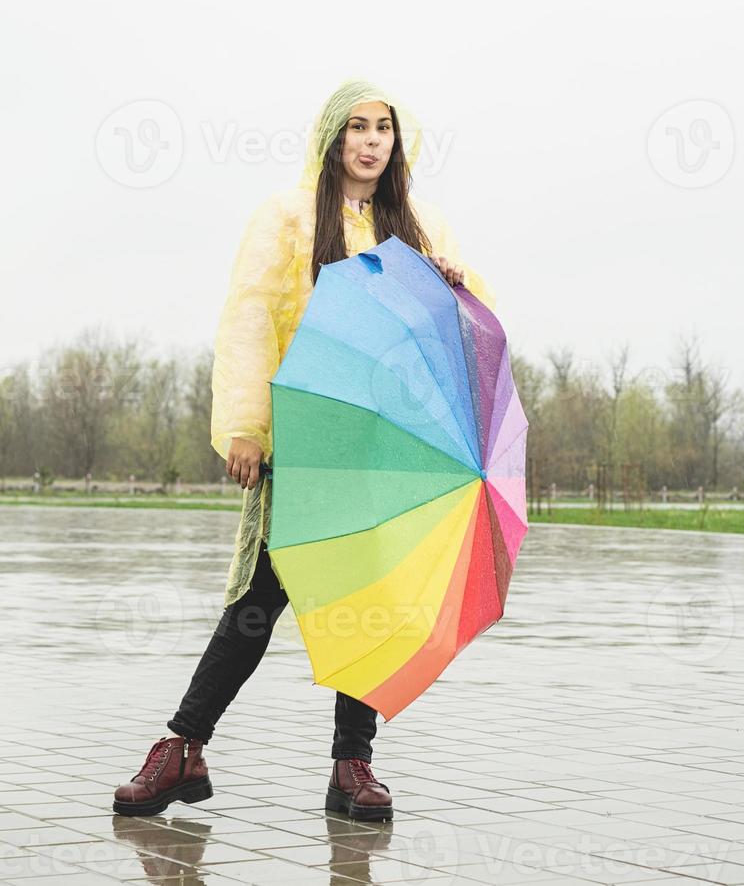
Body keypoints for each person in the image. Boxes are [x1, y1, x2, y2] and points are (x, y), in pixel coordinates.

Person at [112, 78, 496, 822]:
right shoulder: (286, 218)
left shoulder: (418, 225)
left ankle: (352, 765)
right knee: (257, 602)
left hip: (383, 448)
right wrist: (248, 425)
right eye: (356, 126)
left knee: (369, 607)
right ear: (331, 136)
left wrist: (455, 281)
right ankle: (182, 747)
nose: (371, 140)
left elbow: (455, 331)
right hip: (304, 444)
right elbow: (250, 319)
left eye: (383, 127)